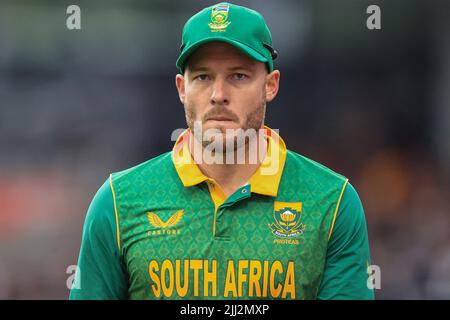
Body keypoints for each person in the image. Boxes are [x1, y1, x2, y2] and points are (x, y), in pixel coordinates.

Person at [70, 2, 374, 300]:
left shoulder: (332, 203)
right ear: (181, 88)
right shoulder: (117, 203)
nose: (218, 95)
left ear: (270, 85)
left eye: (238, 76)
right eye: (203, 77)